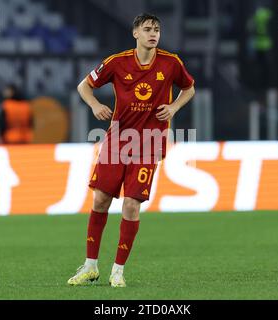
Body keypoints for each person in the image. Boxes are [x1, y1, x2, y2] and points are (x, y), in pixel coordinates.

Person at [68, 13, 195, 287]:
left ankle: (118, 271)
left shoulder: (171, 63)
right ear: (135, 33)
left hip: (149, 142)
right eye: (148, 29)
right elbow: (84, 86)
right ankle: (90, 266)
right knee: (100, 200)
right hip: (117, 140)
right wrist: (94, 105)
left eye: (157, 30)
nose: (154, 33)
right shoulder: (117, 62)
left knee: (131, 204)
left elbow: (189, 88)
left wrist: (173, 107)